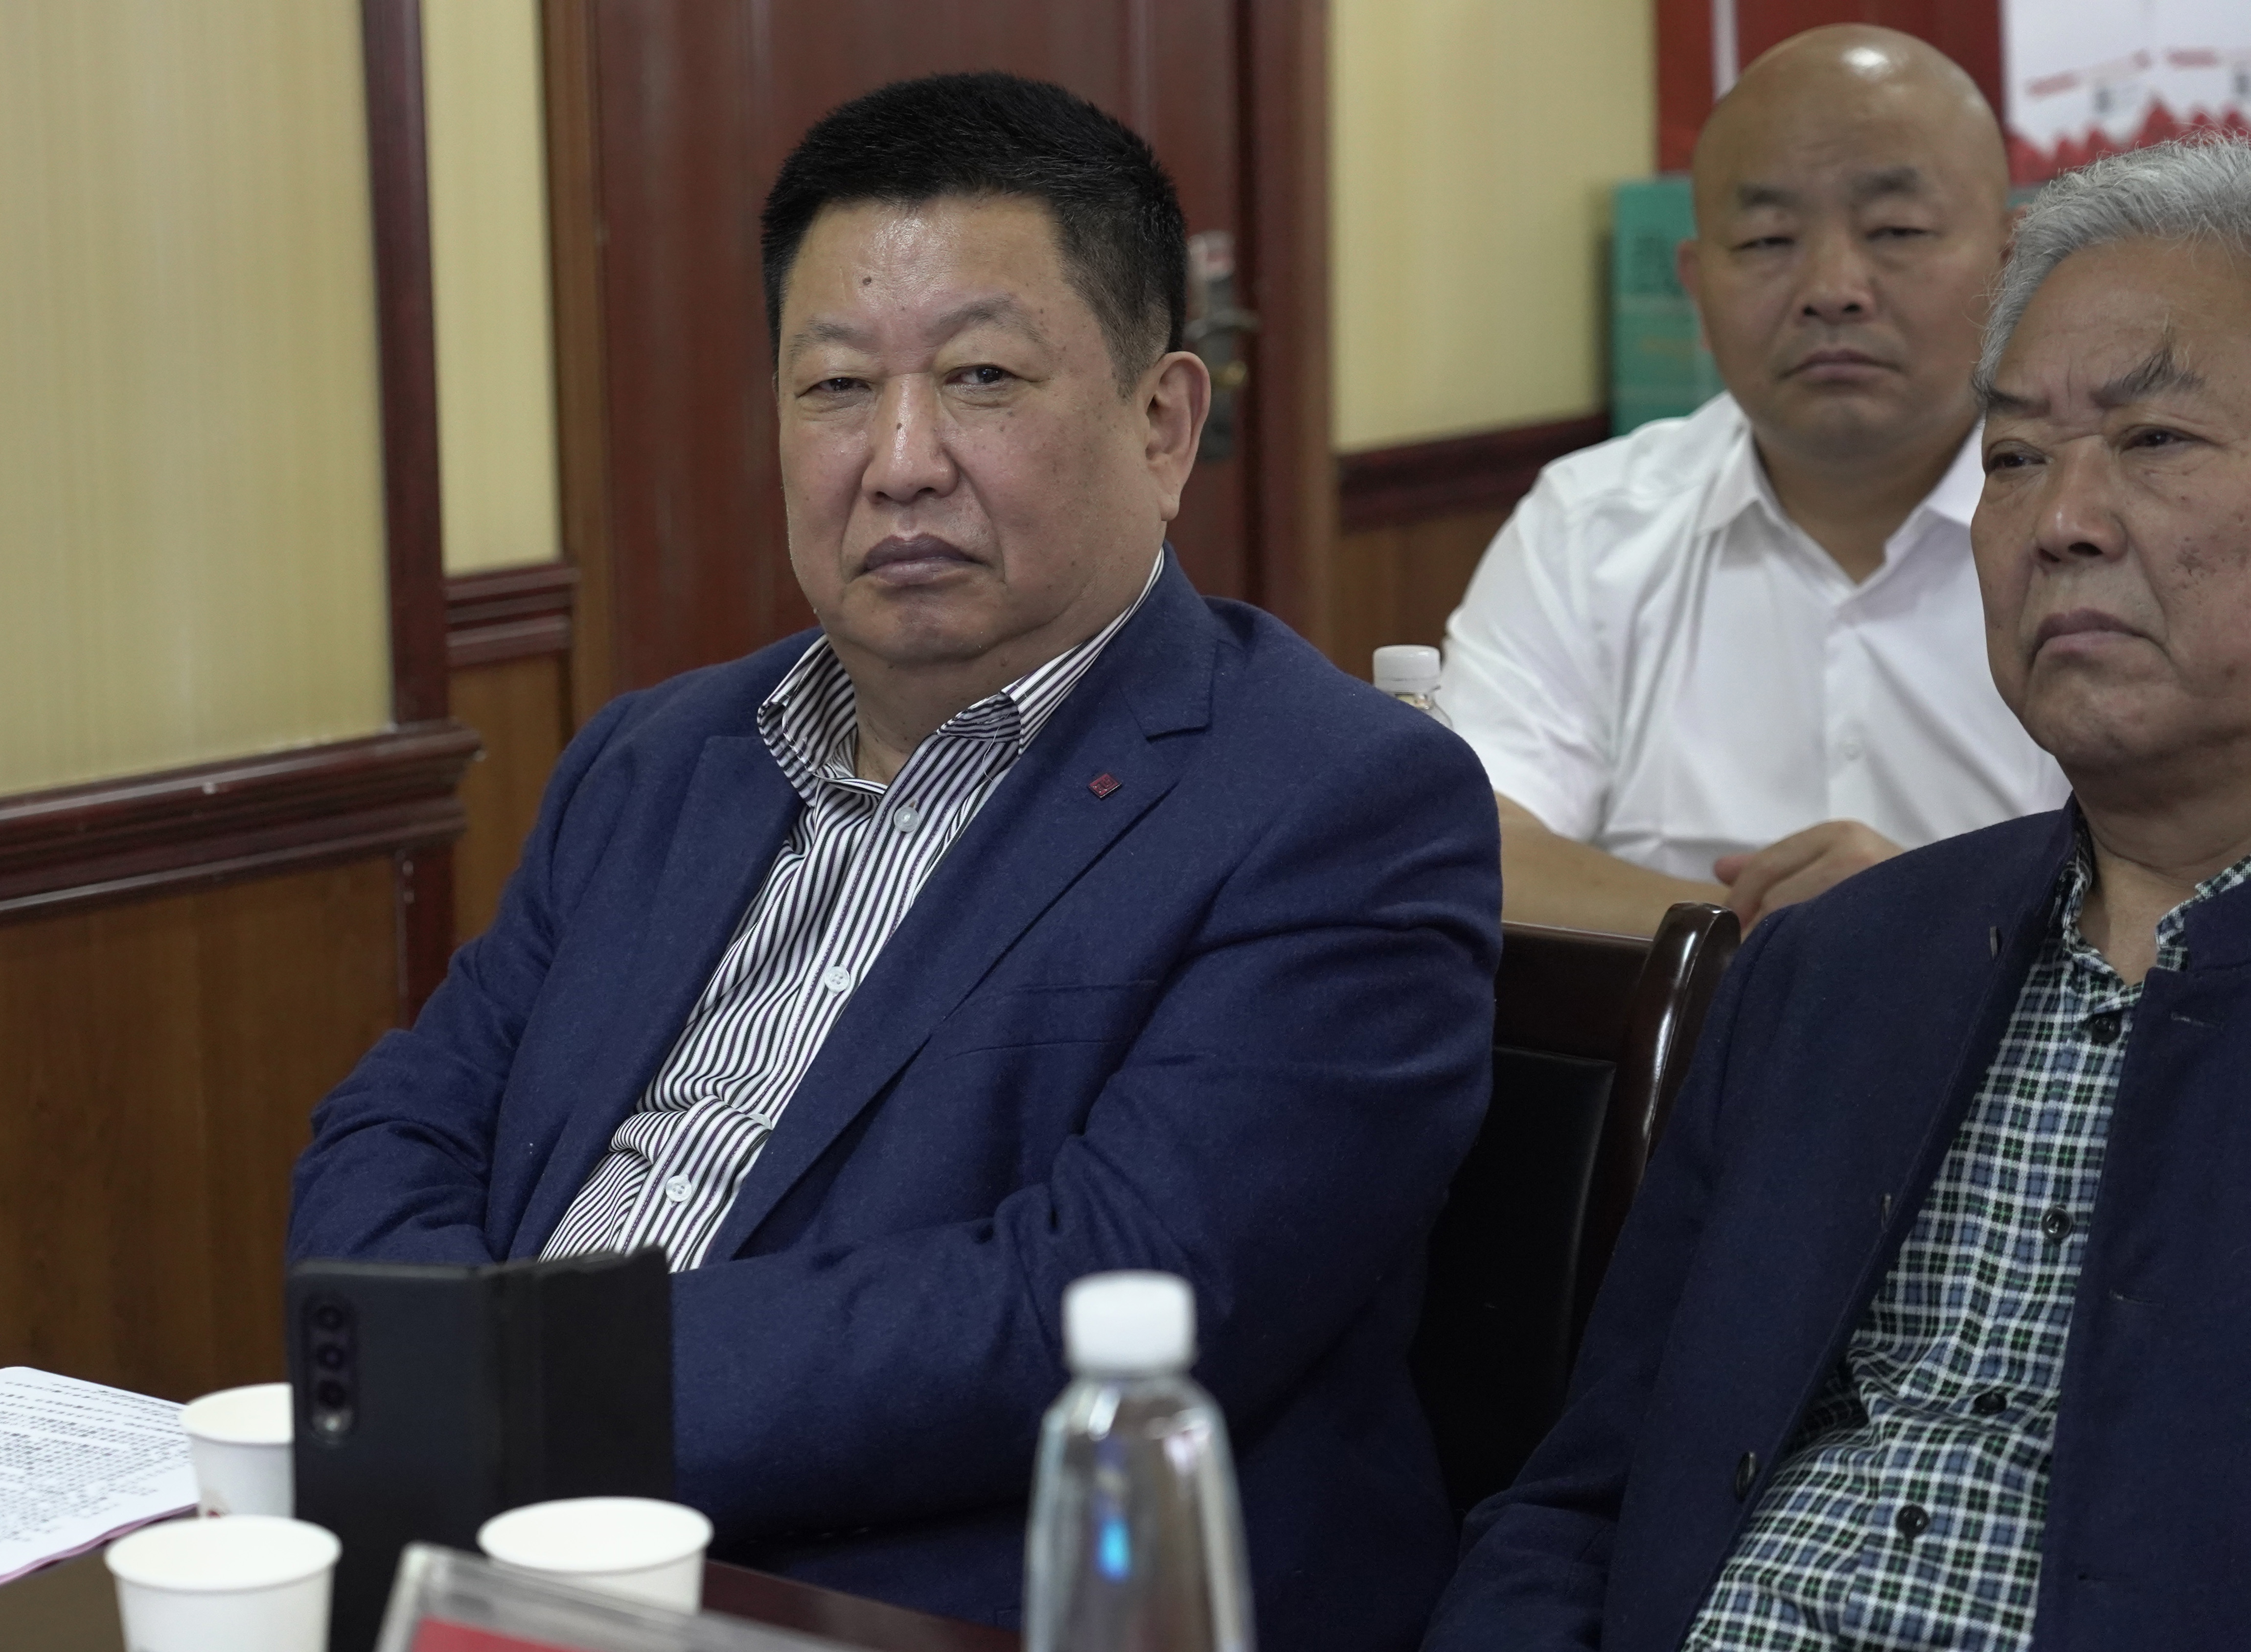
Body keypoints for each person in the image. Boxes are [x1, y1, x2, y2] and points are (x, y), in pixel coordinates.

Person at [287, 72, 1498, 1643]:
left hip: (923, 1601)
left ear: (1163, 424)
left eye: (983, 377)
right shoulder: (656, 761)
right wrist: (441, 1406)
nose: (901, 459)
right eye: (837, 387)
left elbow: (1098, 1300)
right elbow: (398, 1126)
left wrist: (515, 1394)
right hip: (485, 1562)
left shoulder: (1336, 803)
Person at [1425, 132, 2251, 1648]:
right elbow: (1580, 1506)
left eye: (2153, 440)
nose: (2061, 519)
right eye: (2014, 457)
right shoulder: (1840, 968)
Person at [1443, 26, 2068, 938]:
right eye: (1769, 239)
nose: (1833, 288)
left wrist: (1917, 930)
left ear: (2013, 266)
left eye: (1896, 231)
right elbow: (1471, 843)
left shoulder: (2104, 531)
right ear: (1698, 287)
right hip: (1684, 1027)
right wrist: (1779, 940)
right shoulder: (1586, 527)